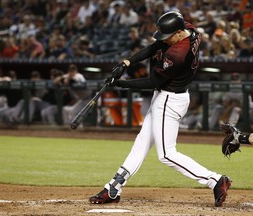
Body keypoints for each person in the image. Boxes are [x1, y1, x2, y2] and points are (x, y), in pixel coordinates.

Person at [89, 11, 231, 207]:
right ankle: (113, 187)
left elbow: (152, 81)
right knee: (141, 143)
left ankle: (215, 180)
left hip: (169, 100)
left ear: (179, 32)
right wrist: (128, 62)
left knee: (166, 154)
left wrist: (121, 84)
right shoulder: (191, 31)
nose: (165, 39)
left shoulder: (177, 54)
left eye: (169, 35)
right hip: (168, 97)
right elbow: (156, 45)